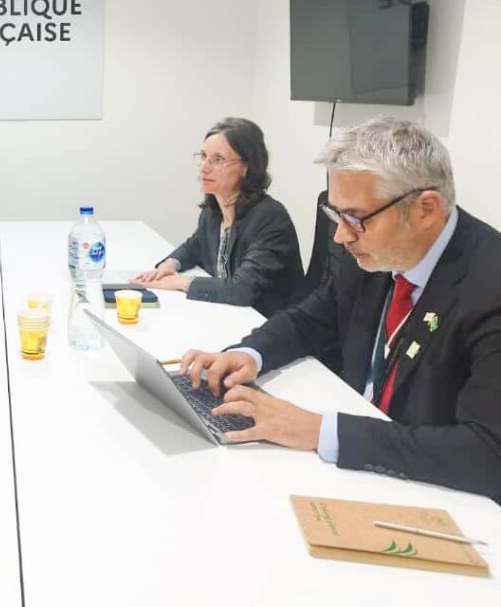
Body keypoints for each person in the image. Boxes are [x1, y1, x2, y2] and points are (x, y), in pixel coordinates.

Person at [182, 117, 501, 500]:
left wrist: (319, 431)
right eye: (336, 215)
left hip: (436, 495)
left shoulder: (489, 286)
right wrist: (251, 353)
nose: (340, 235)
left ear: (426, 209)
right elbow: (312, 317)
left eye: (355, 218)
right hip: (359, 469)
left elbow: (486, 453)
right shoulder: (372, 250)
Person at [134, 117, 303, 317]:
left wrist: (180, 282)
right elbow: (195, 246)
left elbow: (243, 289)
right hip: (228, 314)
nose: (203, 167)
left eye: (217, 160)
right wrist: (170, 264)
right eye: (203, 156)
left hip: (265, 322)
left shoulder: (269, 218)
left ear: (246, 167)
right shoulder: (213, 210)